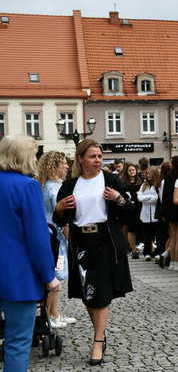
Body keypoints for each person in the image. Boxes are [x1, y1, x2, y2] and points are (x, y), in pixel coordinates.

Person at [54, 139, 133, 366]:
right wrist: (59, 209)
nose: (98, 160)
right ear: (80, 158)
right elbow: (59, 218)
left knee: (101, 291)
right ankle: (100, 333)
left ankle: (98, 340)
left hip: (105, 240)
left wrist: (118, 199)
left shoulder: (110, 179)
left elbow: (129, 211)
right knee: (88, 294)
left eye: (99, 156)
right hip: (80, 241)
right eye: (93, 156)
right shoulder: (70, 184)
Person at [0, 135, 60, 372]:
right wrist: (49, 276)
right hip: (18, 278)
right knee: (17, 343)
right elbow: (37, 237)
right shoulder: (27, 186)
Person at [38, 151, 77, 328]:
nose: (67, 166)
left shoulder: (47, 186)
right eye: (63, 163)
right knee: (56, 277)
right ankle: (51, 316)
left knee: (56, 276)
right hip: (56, 238)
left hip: (51, 235)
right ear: (55, 166)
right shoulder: (55, 188)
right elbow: (62, 218)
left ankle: (55, 313)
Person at [163, 156, 178, 271]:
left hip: (169, 209)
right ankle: (176, 261)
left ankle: (172, 261)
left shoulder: (168, 176)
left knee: (173, 236)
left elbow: (165, 196)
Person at [138, 166, 161, 261]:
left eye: (150, 173)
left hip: (156, 214)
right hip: (146, 214)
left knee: (157, 234)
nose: (147, 175)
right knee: (147, 235)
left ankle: (158, 252)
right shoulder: (143, 185)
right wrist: (150, 197)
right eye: (147, 173)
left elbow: (157, 199)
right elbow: (140, 198)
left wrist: (146, 198)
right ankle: (147, 253)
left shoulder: (158, 185)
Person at [121, 163, 143, 259]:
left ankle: (147, 249)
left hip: (140, 207)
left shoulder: (141, 181)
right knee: (131, 229)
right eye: (129, 170)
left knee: (143, 228)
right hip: (129, 208)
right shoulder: (123, 182)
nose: (131, 171)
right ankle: (133, 250)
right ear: (127, 172)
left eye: (133, 170)